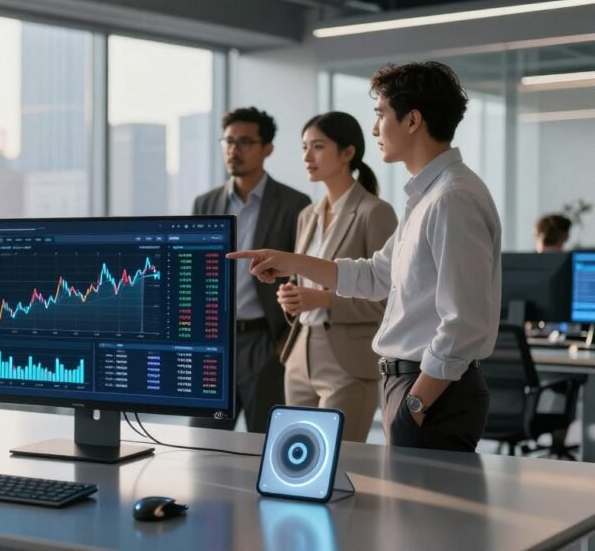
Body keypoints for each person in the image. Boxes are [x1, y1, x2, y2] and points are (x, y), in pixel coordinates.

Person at [229, 61, 502, 453]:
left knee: (422, 513)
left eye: (380, 115)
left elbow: (464, 322)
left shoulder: (452, 198)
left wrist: (416, 402)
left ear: (412, 120)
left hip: (430, 389)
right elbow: (377, 275)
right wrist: (292, 261)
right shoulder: (427, 196)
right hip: (412, 384)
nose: (375, 129)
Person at [278, 112, 397, 442]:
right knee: (295, 461)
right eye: (304, 147)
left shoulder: (376, 213)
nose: (306, 157)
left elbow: (389, 298)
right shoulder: (307, 216)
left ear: (347, 153)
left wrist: (324, 300)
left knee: (340, 462)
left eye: (318, 146)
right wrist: (292, 300)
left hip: (348, 360)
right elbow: (304, 283)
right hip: (301, 355)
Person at [192, 106, 311, 433]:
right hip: (213, 344)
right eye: (228, 141)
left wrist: (285, 344)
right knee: (202, 441)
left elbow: (305, 275)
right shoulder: (206, 204)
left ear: (267, 148)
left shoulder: (294, 204)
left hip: (264, 342)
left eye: (245, 142)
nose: (234, 150)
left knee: (264, 441)